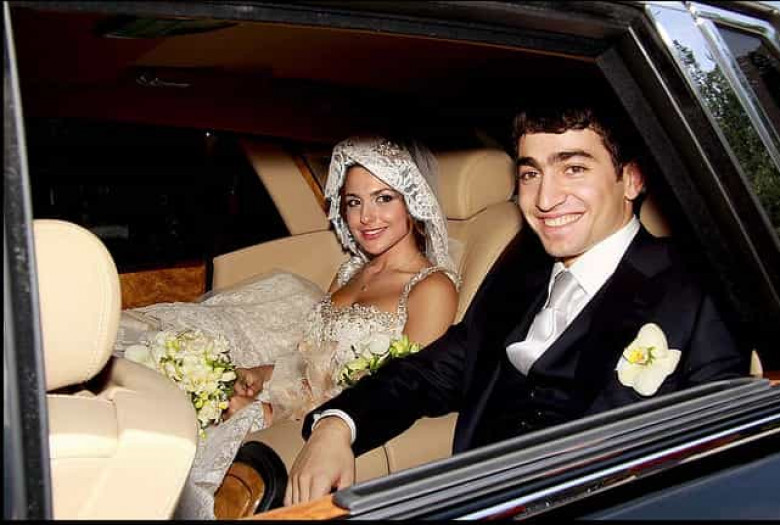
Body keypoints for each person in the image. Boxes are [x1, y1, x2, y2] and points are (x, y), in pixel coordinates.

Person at [284, 102, 750, 506]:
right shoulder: (516, 278)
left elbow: (723, 459)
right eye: (531, 173)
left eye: (574, 168)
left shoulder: (697, 288)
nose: (545, 199)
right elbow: (426, 373)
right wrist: (337, 425)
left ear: (630, 179)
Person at [115, 135, 460, 519]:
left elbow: (404, 388)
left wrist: (273, 410)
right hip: (293, 397)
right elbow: (310, 357)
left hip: (334, 415)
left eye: (383, 198)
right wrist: (258, 376)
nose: (366, 217)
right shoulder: (350, 271)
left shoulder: (431, 288)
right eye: (353, 202)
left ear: (412, 201)